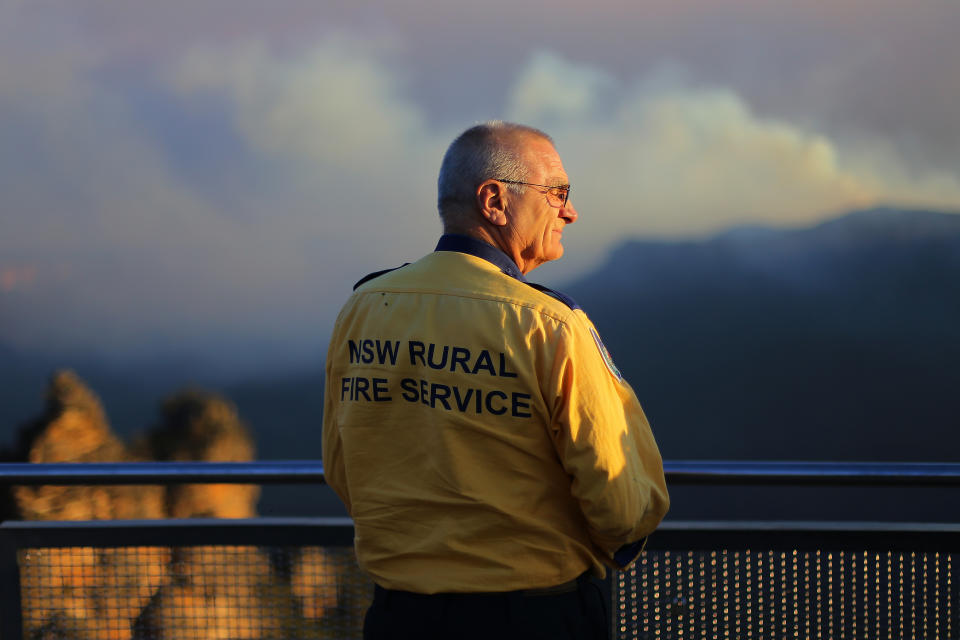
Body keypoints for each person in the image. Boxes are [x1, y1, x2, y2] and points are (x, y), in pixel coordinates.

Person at [322, 121, 669, 639]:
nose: (570, 211)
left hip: (400, 617)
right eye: (558, 193)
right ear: (494, 201)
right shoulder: (549, 324)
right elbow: (619, 501)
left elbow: (340, 464)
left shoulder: (364, 307)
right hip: (533, 617)